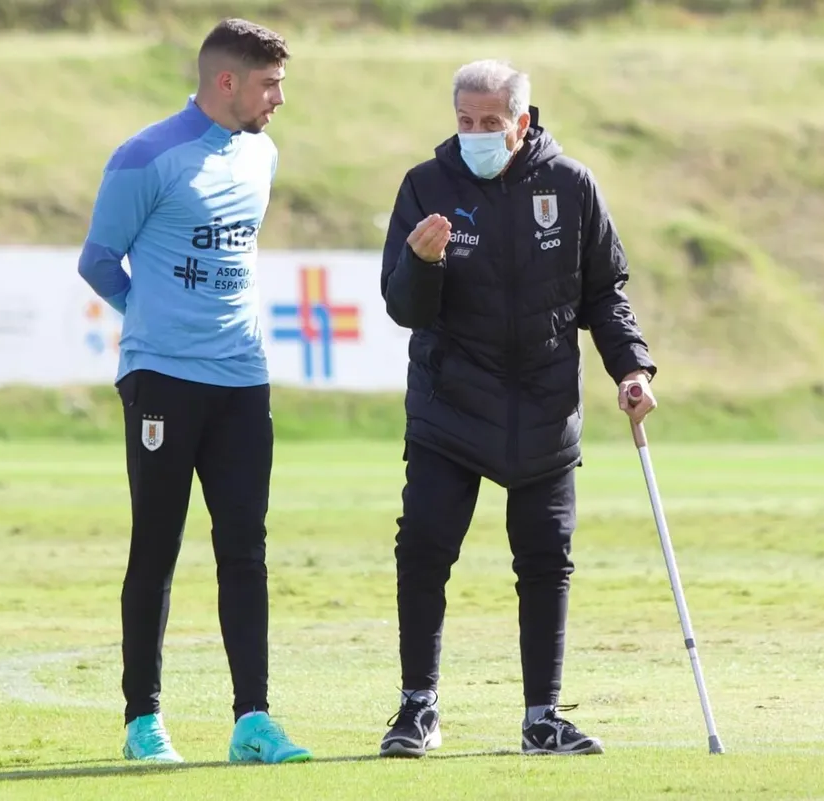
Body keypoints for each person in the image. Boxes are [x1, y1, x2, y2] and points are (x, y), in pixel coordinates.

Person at [378, 58, 658, 758]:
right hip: (450, 405)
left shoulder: (571, 186)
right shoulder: (425, 186)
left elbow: (604, 293)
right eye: (464, 121)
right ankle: (418, 708)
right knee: (423, 549)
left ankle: (543, 717)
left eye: (490, 123)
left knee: (546, 558)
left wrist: (631, 367)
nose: (475, 134)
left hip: (543, 406)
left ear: (521, 123)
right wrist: (422, 264)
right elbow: (403, 307)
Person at [76, 18, 311, 765]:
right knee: (157, 545)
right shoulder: (146, 157)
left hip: (243, 377)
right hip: (163, 380)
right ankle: (142, 720)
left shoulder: (263, 154)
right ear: (227, 81)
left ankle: (254, 719)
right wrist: (154, 322)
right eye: (270, 83)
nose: (280, 98)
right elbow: (99, 261)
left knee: (245, 548)